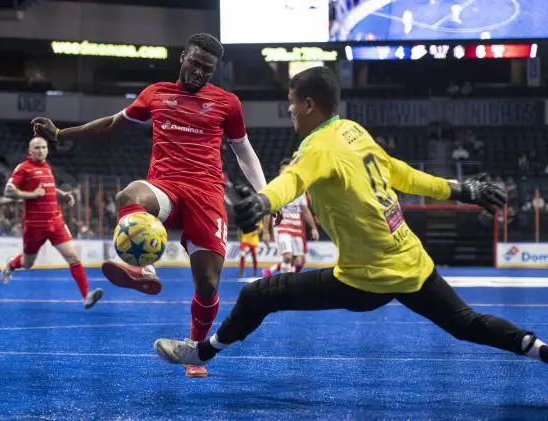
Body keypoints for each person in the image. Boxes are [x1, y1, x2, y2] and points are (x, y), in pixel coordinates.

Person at [153, 66, 548, 370]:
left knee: (258, 295)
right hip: (411, 263)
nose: (289, 109)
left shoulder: (316, 146)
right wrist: (463, 190)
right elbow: (402, 174)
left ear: (307, 104)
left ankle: (202, 353)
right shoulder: (354, 131)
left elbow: (291, 180)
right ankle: (541, 350)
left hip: (364, 281)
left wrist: (261, 202)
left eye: (291, 101)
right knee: (468, 324)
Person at [31, 33, 268, 378]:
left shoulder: (227, 103)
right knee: (129, 196)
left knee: (208, 284)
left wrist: (264, 193)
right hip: (165, 186)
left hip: (207, 194)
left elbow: (243, 150)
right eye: (196, 63)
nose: (200, 73)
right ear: (183, 56)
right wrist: (61, 134)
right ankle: (144, 268)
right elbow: (113, 124)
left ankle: (194, 352)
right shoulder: (156, 93)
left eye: (208, 69)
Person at [0, 137, 103, 310]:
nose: (40, 150)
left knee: (73, 257)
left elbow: (47, 187)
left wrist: (62, 194)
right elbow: (8, 191)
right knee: (27, 263)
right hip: (34, 226)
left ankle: (86, 296)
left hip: (56, 222)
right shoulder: (23, 168)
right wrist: (32, 195)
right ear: (30, 151)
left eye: (43, 147)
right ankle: (10, 265)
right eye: (37, 148)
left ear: (47, 150)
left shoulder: (46, 167)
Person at [263, 159, 319, 276]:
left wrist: (313, 228)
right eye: (284, 170)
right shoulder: (274, 187)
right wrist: (266, 231)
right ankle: (283, 287)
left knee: (297, 261)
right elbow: (268, 211)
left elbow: (305, 210)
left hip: (297, 229)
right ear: (279, 172)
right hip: (281, 227)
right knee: (287, 257)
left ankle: (280, 276)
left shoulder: (299, 189)